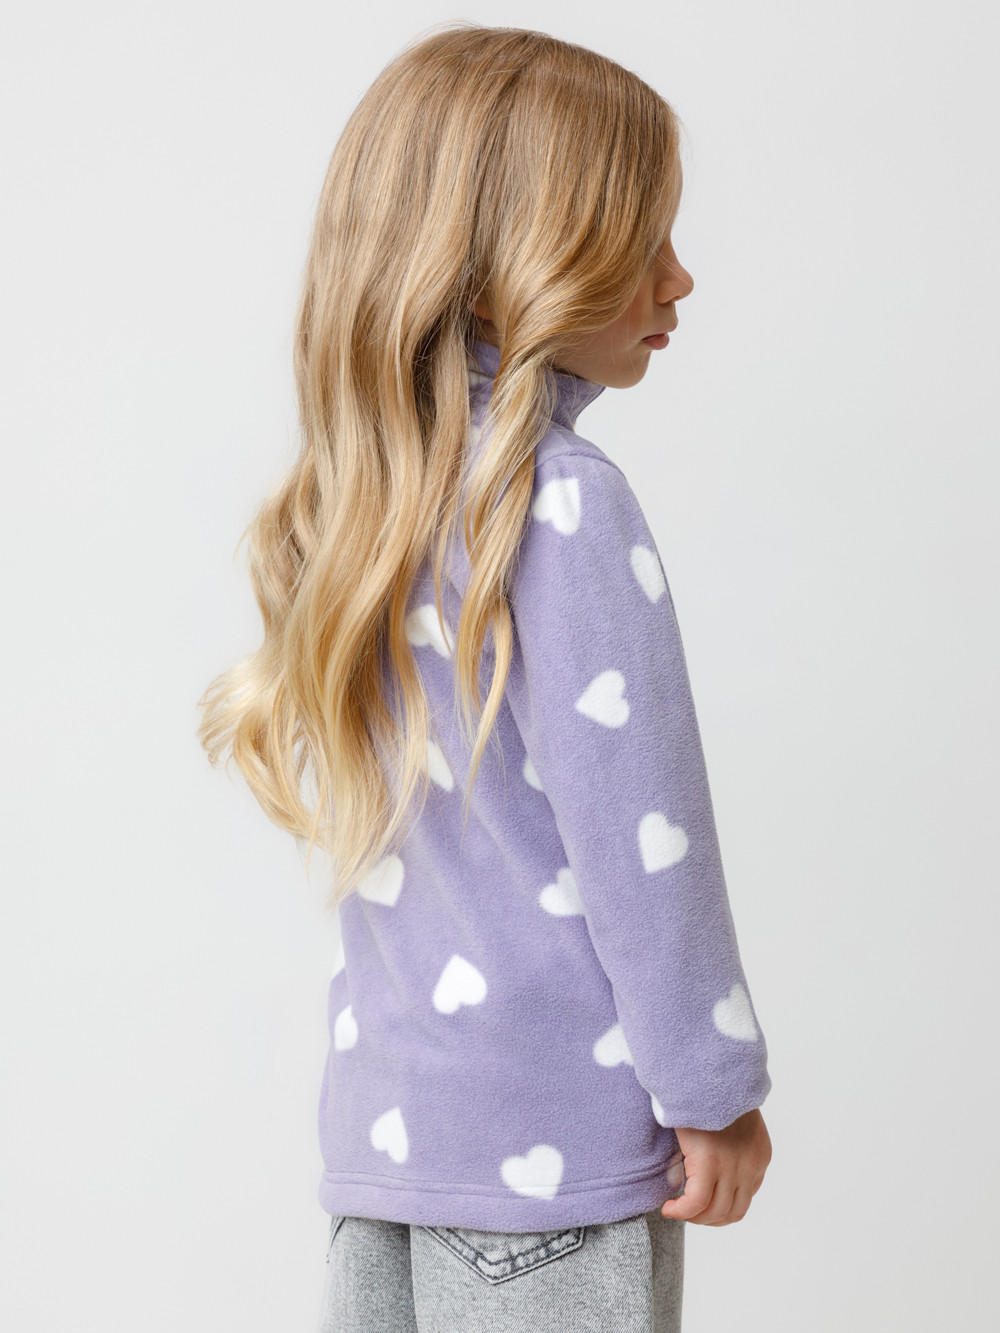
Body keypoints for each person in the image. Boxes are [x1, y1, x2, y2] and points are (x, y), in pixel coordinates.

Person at [197, 21, 772, 1333]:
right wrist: (712, 1084)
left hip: (391, 1146)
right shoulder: (560, 505)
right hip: (554, 1162)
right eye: (638, 238)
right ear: (503, 266)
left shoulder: (368, 511)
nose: (680, 277)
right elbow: (643, 834)